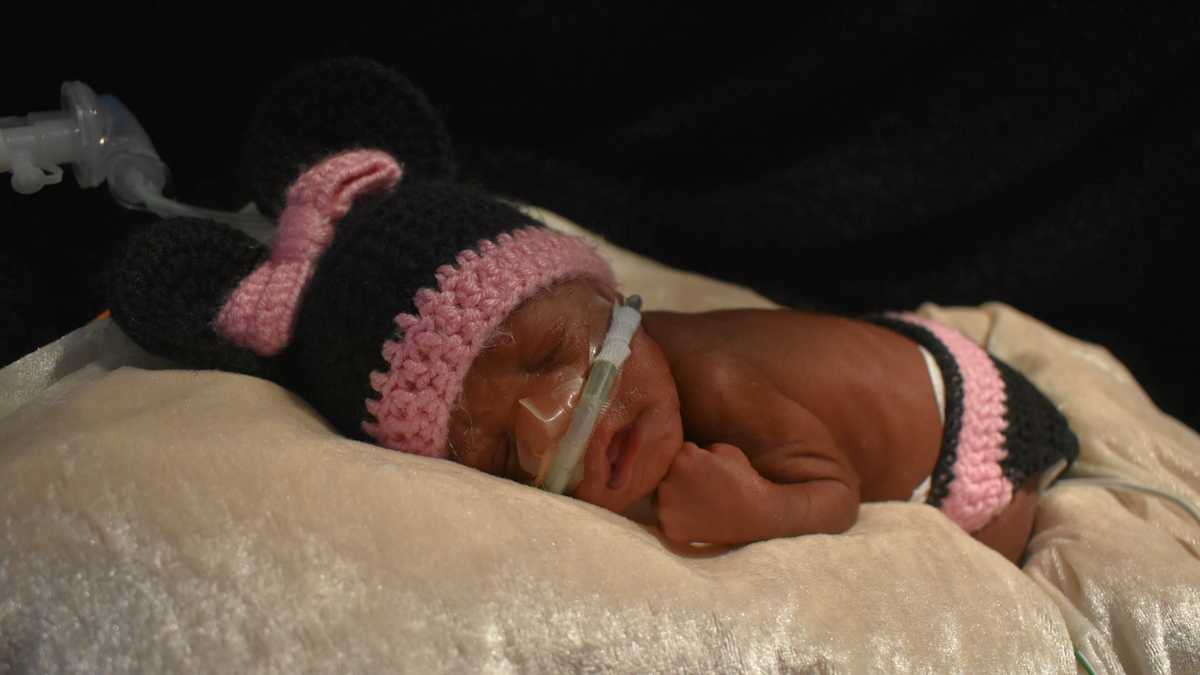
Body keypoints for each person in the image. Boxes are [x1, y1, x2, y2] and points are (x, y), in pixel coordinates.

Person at [113, 148, 1077, 565]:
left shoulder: (716, 379)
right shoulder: (633, 418)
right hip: (884, 354)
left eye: (546, 351)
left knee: (998, 539)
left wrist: (754, 511)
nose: (555, 426)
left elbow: (826, 487)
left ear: (612, 299)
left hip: (967, 423)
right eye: (496, 455)